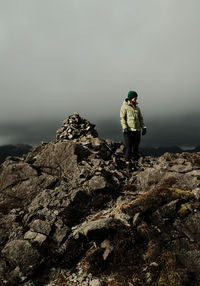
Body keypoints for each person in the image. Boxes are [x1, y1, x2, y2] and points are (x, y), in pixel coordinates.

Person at [120, 90, 147, 171]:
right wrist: (125, 127)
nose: (136, 98)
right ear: (130, 97)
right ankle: (128, 165)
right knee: (128, 148)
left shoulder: (137, 107)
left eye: (136, 97)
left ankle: (135, 164)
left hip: (137, 131)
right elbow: (122, 118)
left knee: (136, 148)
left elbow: (140, 118)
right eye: (134, 97)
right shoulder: (124, 107)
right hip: (128, 131)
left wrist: (144, 127)